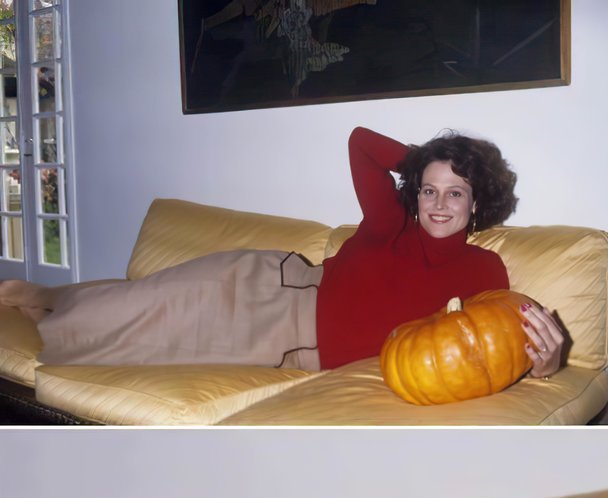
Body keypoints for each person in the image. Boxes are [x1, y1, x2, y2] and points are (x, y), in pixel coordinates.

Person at [0, 127, 563, 376]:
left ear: (476, 201)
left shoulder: (485, 269)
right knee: (145, 299)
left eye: (456, 192)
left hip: (291, 348)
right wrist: (432, 160)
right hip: (270, 288)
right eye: (430, 190)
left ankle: (52, 306)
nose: (439, 204)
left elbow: (501, 346)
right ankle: (49, 295)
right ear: (414, 193)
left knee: (136, 338)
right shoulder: (390, 221)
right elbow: (361, 142)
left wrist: (549, 363)